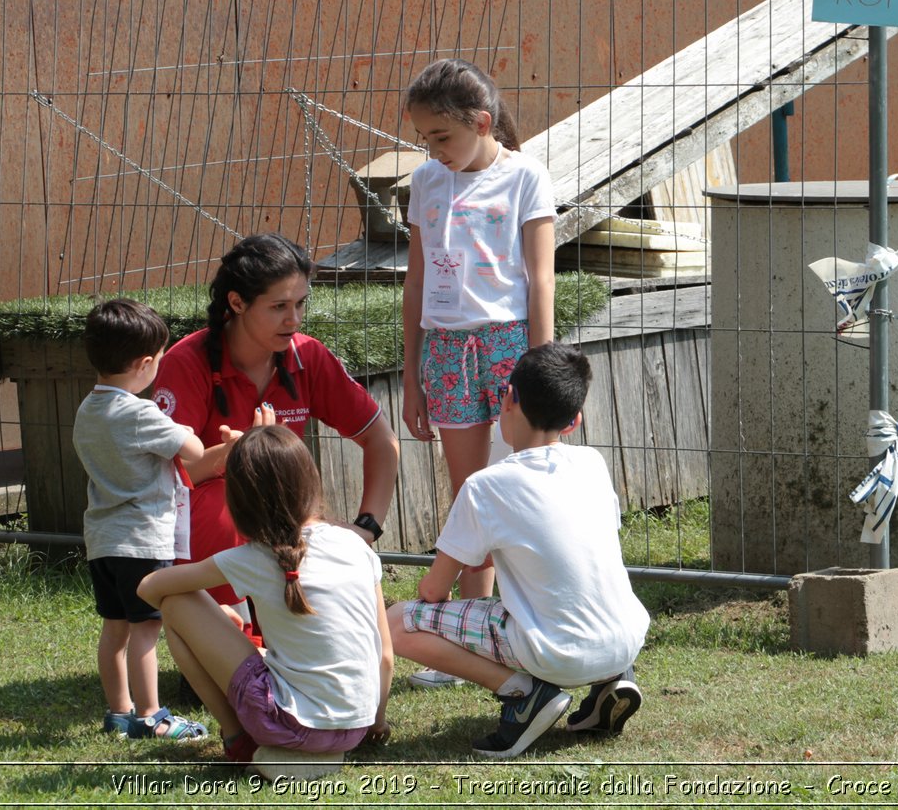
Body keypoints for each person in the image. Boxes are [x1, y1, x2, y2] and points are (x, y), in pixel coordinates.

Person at [388, 342, 648, 758]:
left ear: (507, 397)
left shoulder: (486, 486)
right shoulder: (592, 463)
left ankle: (525, 694)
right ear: (574, 420)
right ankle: (609, 682)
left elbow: (435, 591)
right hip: (625, 639)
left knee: (398, 622)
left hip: (554, 652)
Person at [153, 233, 400, 641]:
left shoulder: (309, 356)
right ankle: (235, 643)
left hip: (285, 516)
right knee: (223, 509)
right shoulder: (187, 362)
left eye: (300, 303)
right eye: (279, 306)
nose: (295, 319)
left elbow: (382, 440)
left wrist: (365, 528)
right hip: (206, 517)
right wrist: (234, 455)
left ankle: (303, 637)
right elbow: (163, 478)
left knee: (318, 532)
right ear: (236, 303)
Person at [400, 59, 556, 686]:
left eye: (442, 137)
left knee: (525, 487)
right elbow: (414, 281)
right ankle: (466, 634)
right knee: (471, 496)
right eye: (425, 140)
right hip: (445, 349)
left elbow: (540, 277)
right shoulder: (426, 182)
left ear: (482, 122)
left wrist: (539, 370)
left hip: (511, 345)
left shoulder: (526, 177)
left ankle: (536, 619)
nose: (434, 151)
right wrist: (412, 375)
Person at [138, 425, 394, 780]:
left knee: (175, 604)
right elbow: (385, 657)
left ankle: (238, 739)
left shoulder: (253, 556)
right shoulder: (355, 545)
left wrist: (214, 615)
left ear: (238, 500)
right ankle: (318, 750)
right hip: (355, 726)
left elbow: (150, 588)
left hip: (289, 723)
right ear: (311, 481)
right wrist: (375, 724)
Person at [72, 298, 210, 741]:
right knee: (147, 630)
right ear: (146, 363)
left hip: (102, 540)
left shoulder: (87, 411)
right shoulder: (140, 412)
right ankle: (152, 716)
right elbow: (195, 453)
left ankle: (118, 712)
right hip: (142, 542)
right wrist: (186, 432)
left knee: (114, 629)